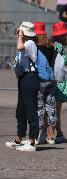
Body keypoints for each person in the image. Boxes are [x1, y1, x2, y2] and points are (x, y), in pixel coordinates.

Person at [5, 22, 40, 152]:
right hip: (23, 78)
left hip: (30, 78)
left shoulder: (29, 43)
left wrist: (20, 36)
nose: (18, 33)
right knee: (21, 110)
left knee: (31, 110)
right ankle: (19, 139)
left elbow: (20, 47)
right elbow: (18, 58)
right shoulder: (25, 43)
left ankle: (32, 142)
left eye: (20, 31)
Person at [33, 22, 58, 145]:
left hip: (39, 80)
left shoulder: (35, 48)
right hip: (51, 80)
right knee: (51, 108)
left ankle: (37, 137)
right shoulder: (51, 47)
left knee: (38, 108)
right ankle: (51, 137)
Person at [52, 21, 67, 143]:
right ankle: (56, 133)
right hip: (59, 81)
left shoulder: (55, 46)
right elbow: (59, 68)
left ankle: (56, 132)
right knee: (56, 109)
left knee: (55, 109)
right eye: (65, 35)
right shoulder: (58, 47)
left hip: (58, 80)